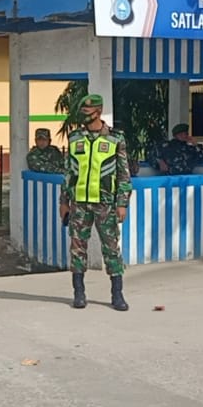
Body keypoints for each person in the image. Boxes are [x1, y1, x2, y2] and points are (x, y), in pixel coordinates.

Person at [61, 94, 132, 311]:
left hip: (105, 203)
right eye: (83, 111)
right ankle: (79, 293)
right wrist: (64, 201)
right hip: (80, 203)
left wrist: (122, 203)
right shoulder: (75, 138)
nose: (84, 116)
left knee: (111, 249)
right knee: (77, 249)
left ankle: (117, 294)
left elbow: (124, 174)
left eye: (88, 112)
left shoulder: (115, 139)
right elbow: (68, 172)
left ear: (98, 112)